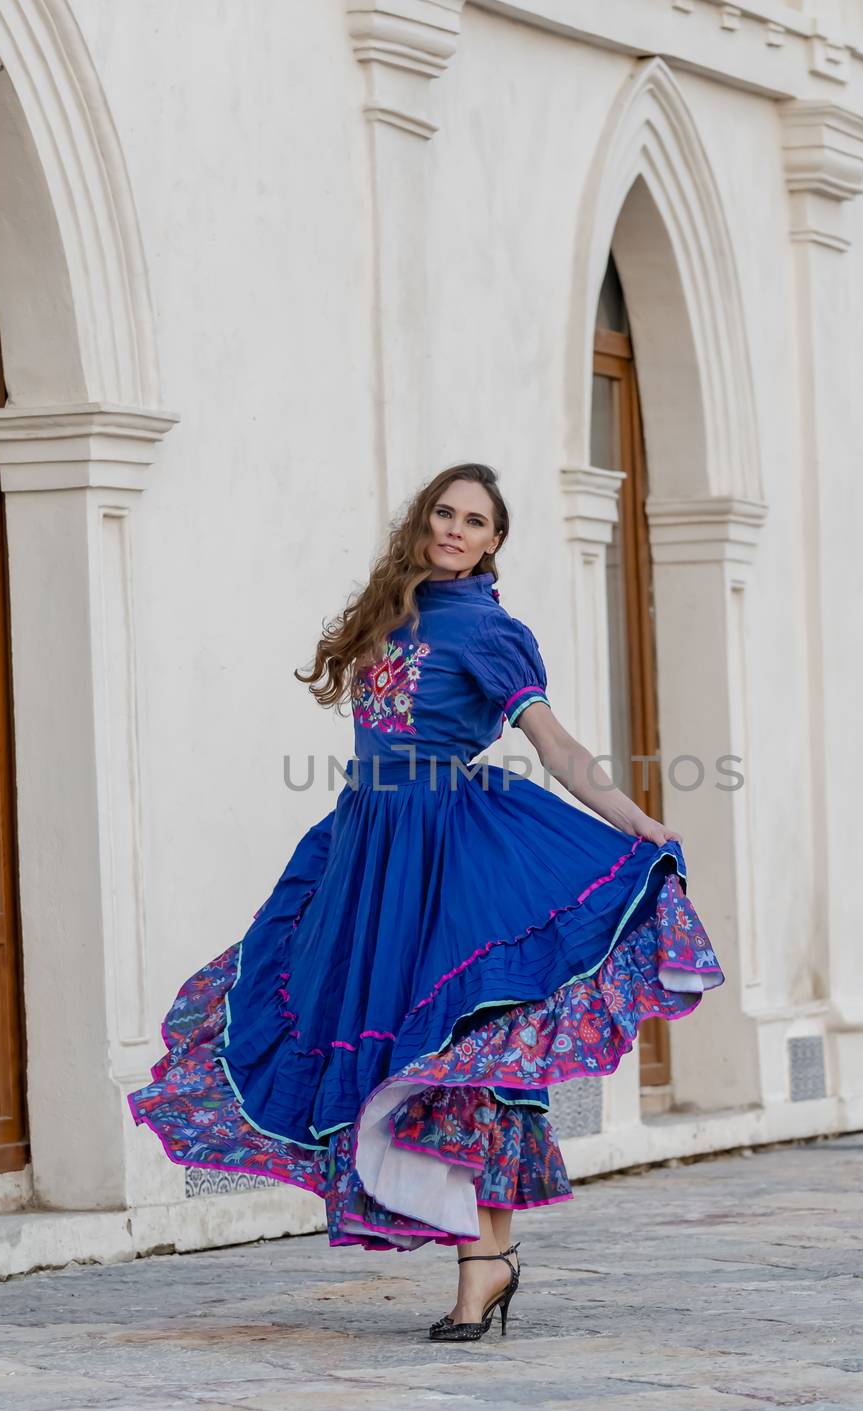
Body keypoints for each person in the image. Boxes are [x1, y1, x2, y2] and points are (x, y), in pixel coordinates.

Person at [128, 462, 724, 1342]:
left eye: (474, 521)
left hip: (449, 852)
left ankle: (484, 1264)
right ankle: (486, 1260)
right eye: (443, 512)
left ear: (493, 542)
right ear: (422, 522)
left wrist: (632, 816)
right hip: (366, 852)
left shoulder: (490, 630)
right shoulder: (387, 612)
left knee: (463, 1043)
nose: (453, 529)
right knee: (339, 1020)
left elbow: (552, 744)